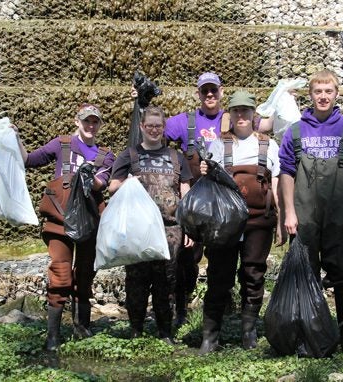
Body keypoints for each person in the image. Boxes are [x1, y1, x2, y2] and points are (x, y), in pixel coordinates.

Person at [164, 73, 275, 326]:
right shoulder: (183, 122)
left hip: (229, 210)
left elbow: (267, 126)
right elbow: (155, 135)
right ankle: (183, 309)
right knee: (188, 259)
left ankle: (228, 315)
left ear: (221, 92)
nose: (210, 95)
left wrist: (282, 101)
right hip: (197, 205)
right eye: (205, 91)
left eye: (214, 90)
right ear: (198, 94)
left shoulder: (236, 115)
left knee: (233, 267)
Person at [277, 69, 343, 356]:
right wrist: (289, 213)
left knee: (341, 272)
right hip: (304, 217)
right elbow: (286, 173)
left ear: (336, 94)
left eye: (328, 91)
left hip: (338, 217)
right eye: (318, 91)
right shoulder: (295, 131)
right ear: (311, 95)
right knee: (307, 273)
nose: (323, 96)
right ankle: (310, 332)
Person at [11, 103, 115, 351]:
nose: (90, 126)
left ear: (99, 125)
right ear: (77, 122)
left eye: (95, 122)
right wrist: (14, 138)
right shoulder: (62, 144)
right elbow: (28, 160)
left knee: (85, 274)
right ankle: (53, 336)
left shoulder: (106, 155)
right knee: (60, 273)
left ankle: (81, 326)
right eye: (86, 121)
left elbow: (103, 182)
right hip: (59, 220)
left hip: (90, 222)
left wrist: (93, 179)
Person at [197, 90, 280, 354]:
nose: (241, 115)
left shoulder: (269, 145)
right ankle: (210, 336)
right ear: (230, 115)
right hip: (225, 223)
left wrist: (281, 218)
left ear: (254, 114)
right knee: (218, 276)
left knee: (254, 275)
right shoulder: (219, 145)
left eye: (246, 111)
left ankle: (248, 330)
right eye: (236, 111)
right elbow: (209, 185)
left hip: (259, 221)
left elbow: (276, 183)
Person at [109, 105, 193, 344]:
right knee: (136, 279)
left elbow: (185, 194)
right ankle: (136, 330)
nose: (154, 130)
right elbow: (112, 187)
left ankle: (165, 332)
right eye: (150, 126)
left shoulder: (176, 157)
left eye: (158, 126)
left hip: (170, 229)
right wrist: (128, 181)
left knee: (166, 280)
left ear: (164, 128)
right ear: (142, 127)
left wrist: (189, 227)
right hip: (137, 230)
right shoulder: (130, 155)